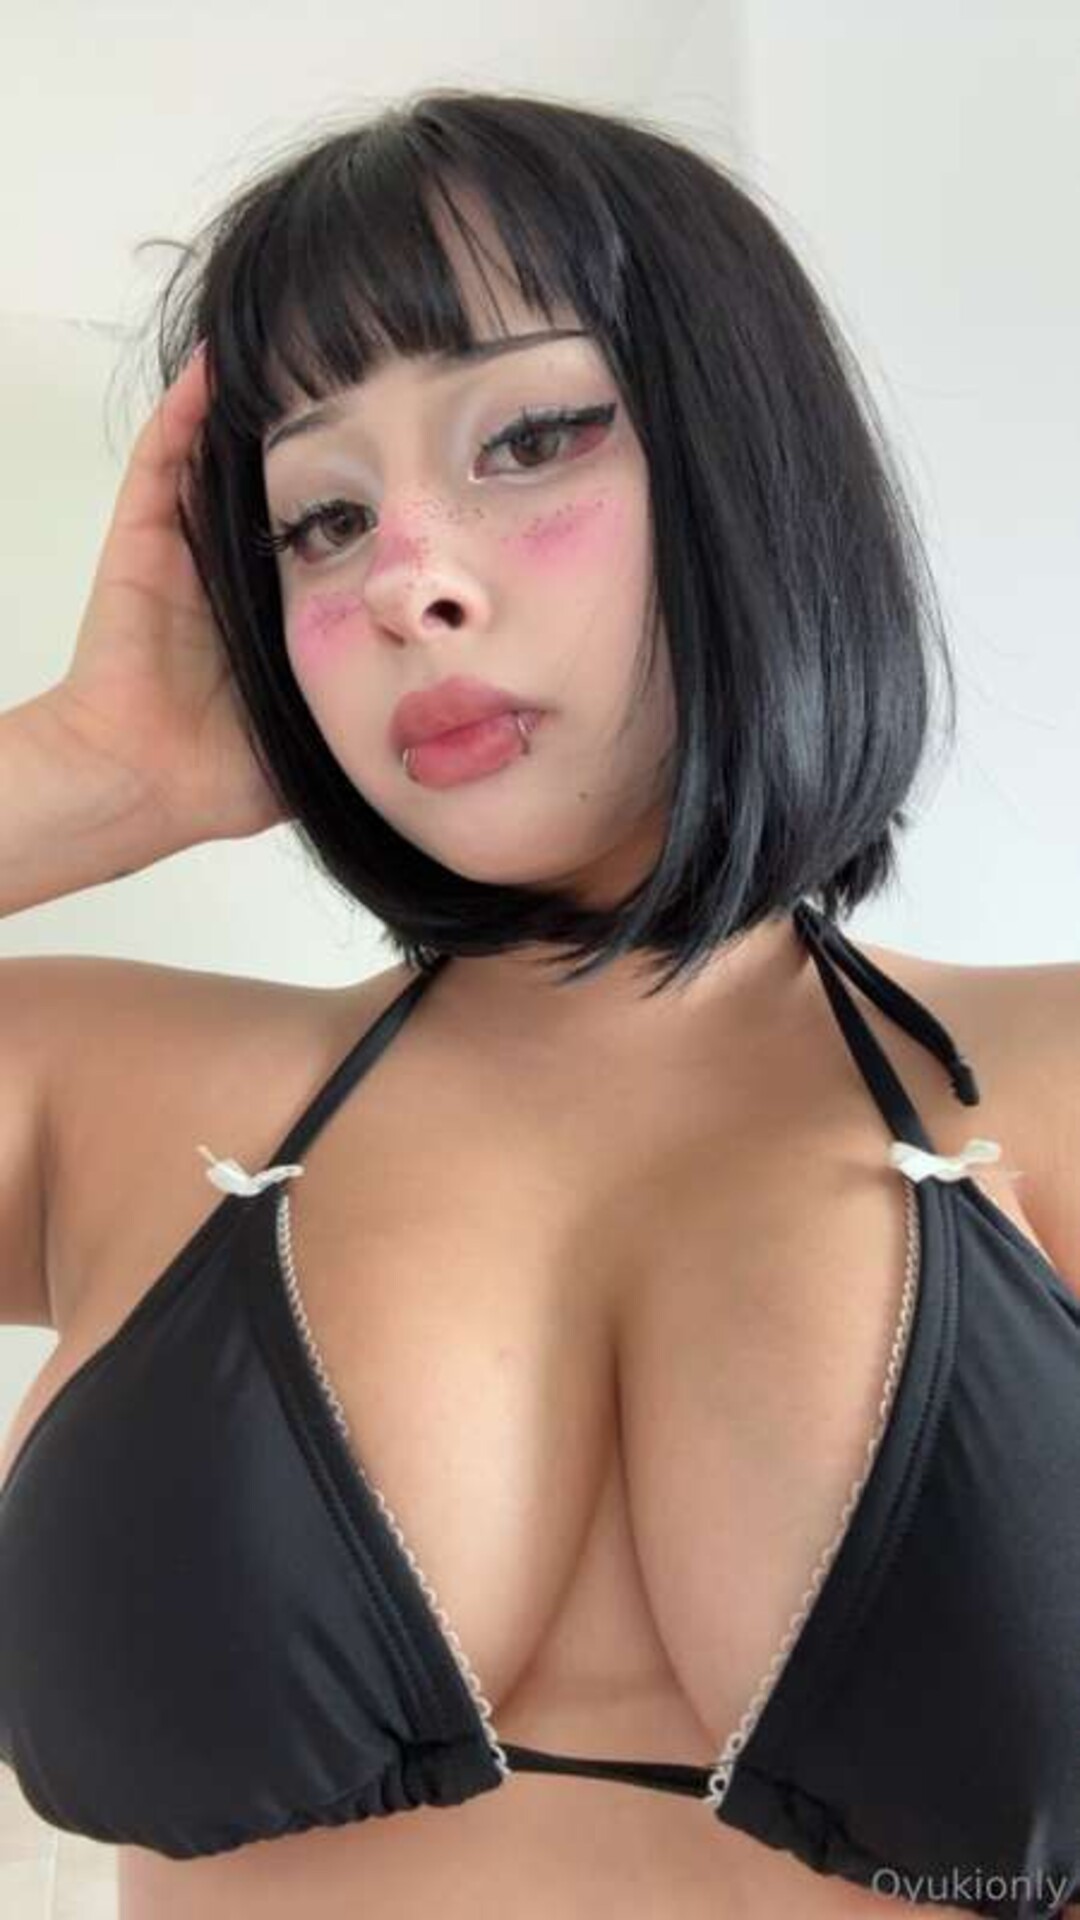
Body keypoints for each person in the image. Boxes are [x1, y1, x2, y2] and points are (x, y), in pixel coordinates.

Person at [1, 87, 1078, 1920]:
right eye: (320, 518)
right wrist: (90, 775)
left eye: (529, 438)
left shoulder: (1050, 1086)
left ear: (750, 467)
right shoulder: (112, 1100)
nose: (408, 578)